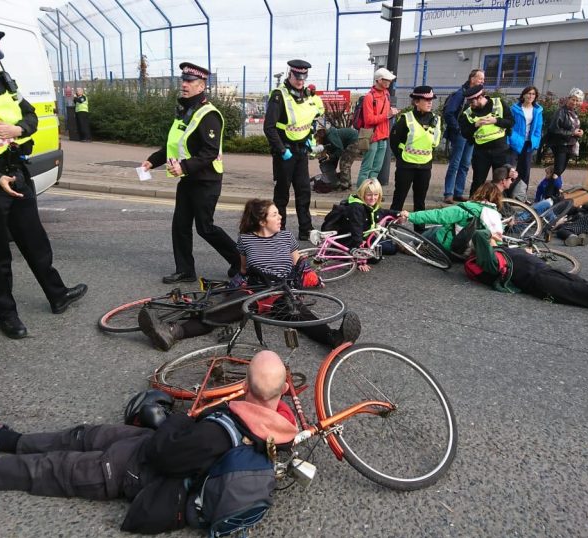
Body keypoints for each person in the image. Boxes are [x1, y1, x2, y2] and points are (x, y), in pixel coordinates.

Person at [0, 351, 299, 534]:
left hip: (134, 471)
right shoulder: (280, 422)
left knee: (55, 469)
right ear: (280, 391)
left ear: (246, 385)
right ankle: (1, 438)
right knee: (81, 434)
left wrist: (177, 421)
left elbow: (167, 455)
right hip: (143, 445)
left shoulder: (226, 429)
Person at [0, 27, 87, 340]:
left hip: (17, 170)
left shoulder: (4, 81)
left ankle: (57, 294)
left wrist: (17, 130)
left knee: (35, 240)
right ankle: (7, 316)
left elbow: (30, 117)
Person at [136, 199, 361, 352]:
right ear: (262, 221)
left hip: (281, 291)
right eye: (275, 214)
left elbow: (298, 262)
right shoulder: (246, 239)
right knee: (218, 312)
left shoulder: (286, 237)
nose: (280, 216)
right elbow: (243, 269)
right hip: (254, 290)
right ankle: (172, 332)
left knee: (303, 316)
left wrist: (311, 277)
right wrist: (230, 287)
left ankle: (336, 339)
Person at [141, 62, 241, 284]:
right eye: (183, 81)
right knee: (180, 225)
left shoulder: (208, 114)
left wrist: (184, 167)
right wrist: (152, 161)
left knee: (205, 228)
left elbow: (210, 152)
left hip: (206, 181)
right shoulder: (185, 111)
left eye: (190, 81)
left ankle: (241, 261)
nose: (184, 85)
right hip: (187, 179)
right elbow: (174, 146)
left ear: (201, 85)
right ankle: (185, 270)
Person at [264, 60, 324, 240]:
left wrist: (308, 139)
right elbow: (269, 127)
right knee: (282, 195)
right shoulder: (278, 95)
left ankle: (305, 229)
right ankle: (278, 231)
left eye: (303, 77)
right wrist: (281, 150)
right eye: (297, 76)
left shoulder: (306, 95)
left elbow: (309, 120)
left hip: (300, 151)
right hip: (285, 152)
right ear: (290, 74)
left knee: (304, 192)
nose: (300, 80)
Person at [399, 182, 505, 257]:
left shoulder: (466, 209)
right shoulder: (495, 215)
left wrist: (410, 216)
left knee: (433, 231)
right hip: (471, 252)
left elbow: (437, 215)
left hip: (451, 249)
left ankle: (412, 247)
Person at [388, 86, 440, 222]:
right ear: (417, 102)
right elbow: (394, 140)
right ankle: (390, 231)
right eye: (426, 100)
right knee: (398, 201)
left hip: (425, 167)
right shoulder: (406, 119)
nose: (430, 103)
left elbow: (434, 143)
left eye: (431, 100)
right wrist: (401, 157)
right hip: (406, 166)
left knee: (420, 203)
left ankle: (420, 234)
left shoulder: (436, 120)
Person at [325, 179, 401, 272]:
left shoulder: (370, 205)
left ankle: (398, 246)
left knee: (391, 249)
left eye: (376, 194)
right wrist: (360, 260)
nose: (373, 198)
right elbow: (356, 232)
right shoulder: (357, 207)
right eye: (369, 195)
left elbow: (383, 212)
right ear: (362, 194)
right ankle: (347, 256)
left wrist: (398, 214)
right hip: (349, 241)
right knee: (376, 258)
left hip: (365, 237)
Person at [460, 85, 513, 197]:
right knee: (478, 182)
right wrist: (475, 125)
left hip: (500, 150)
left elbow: (511, 122)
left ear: (480, 97)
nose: (470, 105)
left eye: (472, 101)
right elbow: (464, 132)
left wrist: (496, 120)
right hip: (481, 152)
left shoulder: (499, 103)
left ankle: (503, 208)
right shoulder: (468, 112)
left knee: (502, 181)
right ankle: (474, 208)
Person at [442, 69, 484, 204]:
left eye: (483, 79)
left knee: (465, 164)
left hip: (471, 133)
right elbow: (449, 113)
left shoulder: (478, 95)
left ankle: (458, 192)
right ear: (472, 79)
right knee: (455, 163)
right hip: (461, 134)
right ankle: (449, 193)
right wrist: (458, 129)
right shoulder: (460, 94)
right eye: (480, 78)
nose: (483, 81)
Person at [356, 68, 399, 186]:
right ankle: (361, 194)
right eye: (387, 80)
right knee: (367, 168)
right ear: (379, 80)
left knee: (376, 169)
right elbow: (369, 119)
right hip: (372, 136)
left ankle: (371, 193)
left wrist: (390, 114)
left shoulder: (386, 94)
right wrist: (387, 115)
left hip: (383, 136)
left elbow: (382, 116)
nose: (389, 82)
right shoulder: (369, 97)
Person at [506, 86, 544, 201]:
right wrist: (511, 138)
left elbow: (538, 127)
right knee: (510, 169)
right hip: (515, 142)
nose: (530, 96)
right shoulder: (515, 109)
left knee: (525, 170)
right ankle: (507, 194)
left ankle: (521, 196)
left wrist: (536, 141)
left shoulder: (538, 110)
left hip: (528, 144)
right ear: (523, 95)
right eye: (528, 93)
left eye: (533, 94)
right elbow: (509, 125)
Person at [544, 88, 585, 187]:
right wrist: (572, 133)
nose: (574, 102)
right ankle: (550, 194)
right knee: (558, 171)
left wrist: (579, 132)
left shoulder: (574, 113)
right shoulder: (561, 112)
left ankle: (549, 189)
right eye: (573, 99)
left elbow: (573, 127)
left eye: (577, 100)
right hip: (560, 144)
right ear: (568, 99)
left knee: (560, 170)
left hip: (570, 144)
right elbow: (554, 129)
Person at [313, 126, 359, 190]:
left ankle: (344, 185)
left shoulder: (330, 136)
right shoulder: (326, 140)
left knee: (344, 163)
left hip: (354, 141)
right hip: (352, 141)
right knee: (344, 163)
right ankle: (347, 183)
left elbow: (340, 150)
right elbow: (335, 153)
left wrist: (330, 157)